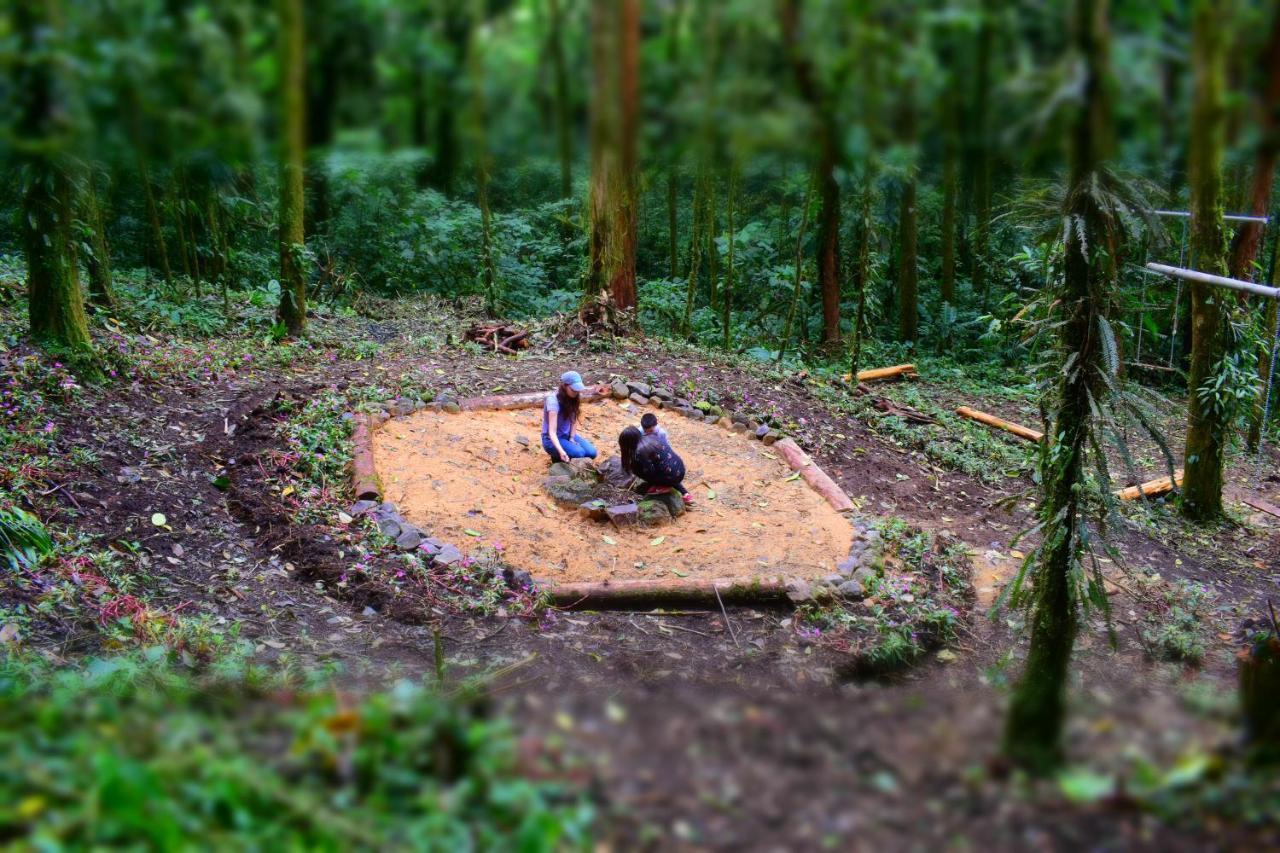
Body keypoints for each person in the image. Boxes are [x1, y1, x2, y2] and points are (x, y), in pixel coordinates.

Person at [619, 425, 693, 504]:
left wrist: (636, 468)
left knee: (636, 469)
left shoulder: (639, 451)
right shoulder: (652, 436)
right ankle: (685, 494)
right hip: (679, 470)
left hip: (670, 477)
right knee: (666, 468)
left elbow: (650, 471)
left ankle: (662, 486)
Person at [542, 371, 604, 462]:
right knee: (579, 453)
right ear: (564, 386)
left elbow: (573, 420)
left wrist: (571, 437)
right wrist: (561, 451)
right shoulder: (553, 401)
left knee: (592, 453)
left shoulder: (573, 397)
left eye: (577, 390)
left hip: (567, 434)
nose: (576, 392)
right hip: (551, 439)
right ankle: (556, 456)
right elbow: (552, 432)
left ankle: (567, 448)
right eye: (573, 390)